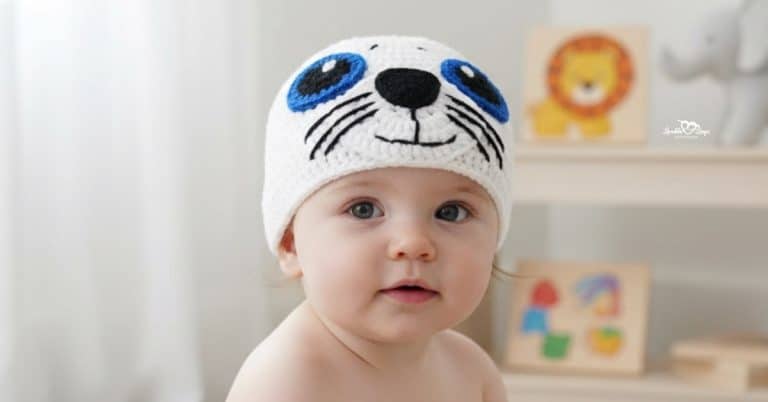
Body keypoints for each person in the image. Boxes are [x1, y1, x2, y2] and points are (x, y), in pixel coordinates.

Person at [226, 35, 513, 402]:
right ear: (291, 243)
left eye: (451, 212)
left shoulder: (470, 369)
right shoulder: (287, 380)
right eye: (363, 209)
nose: (414, 243)